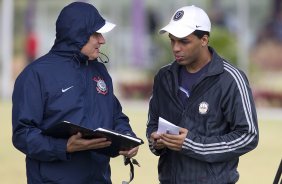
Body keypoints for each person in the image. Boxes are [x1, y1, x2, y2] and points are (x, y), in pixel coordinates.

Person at [12, 2, 139, 184]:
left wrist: (127, 138)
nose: (102, 40)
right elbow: (22, 134)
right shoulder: (35, 74)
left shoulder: (100, 71)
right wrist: (63, 147)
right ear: (77, 34)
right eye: (96, 34)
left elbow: (115, 115)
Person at [146, 5, 259, 184]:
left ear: (204, 40)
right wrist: (155, 142)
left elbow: (248, 135)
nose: (176, 48)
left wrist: (192, 144)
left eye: (184, 41)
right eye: (172, 40)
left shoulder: (230, 79)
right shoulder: (163, 77)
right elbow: (153, 124)